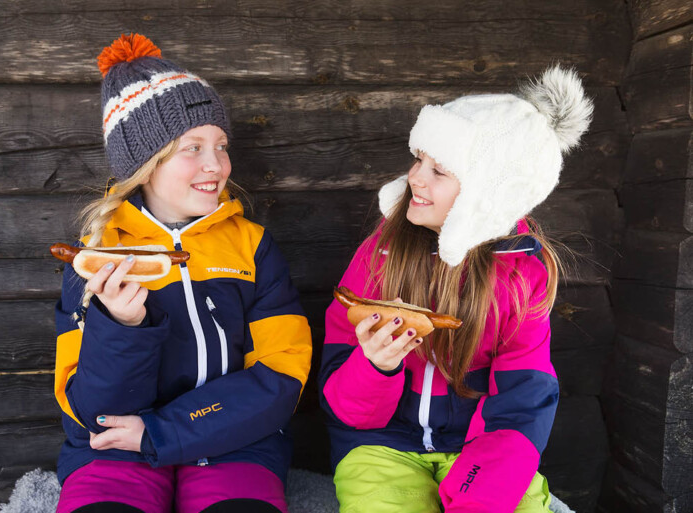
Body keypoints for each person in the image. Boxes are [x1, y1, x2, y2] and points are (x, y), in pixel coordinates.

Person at [53, 33, 312, 513]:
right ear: (145, 164)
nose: (216, 164)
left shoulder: (253, 246)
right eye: (192, 147)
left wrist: (166, 431)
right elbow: (88, 409)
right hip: (113, 453)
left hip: (235, 442)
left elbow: (283, 372)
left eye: (221, 145)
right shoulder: (95, 256)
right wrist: (121, 326)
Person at [319, 65, 593, 513]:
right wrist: (375, 366)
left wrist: (479, 500)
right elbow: (346, 408)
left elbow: (522, 403)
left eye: (439, 170)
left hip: (480, 448)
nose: (415, 177)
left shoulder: (522, 276)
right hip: (380, 445)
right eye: (418, 160)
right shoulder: (380, 255)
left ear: (488, 195)